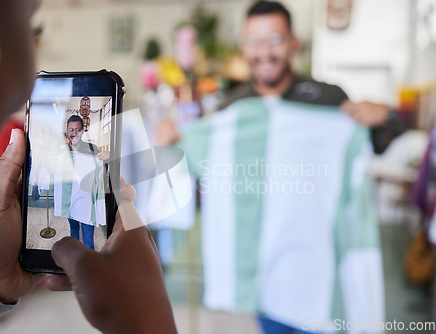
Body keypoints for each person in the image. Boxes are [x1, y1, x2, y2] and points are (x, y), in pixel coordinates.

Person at [0, 1, 177, 333]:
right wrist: (149, 323)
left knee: (81, 231)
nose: (28, 76)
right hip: (66, 203)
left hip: (81, 205)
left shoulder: (89, 148)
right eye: (28, 21)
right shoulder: (58, 148)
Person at [156, 2, 385, 334]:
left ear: (294, 42)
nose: (264, 52)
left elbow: (364, 149)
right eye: (255, 41)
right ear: (243, 47)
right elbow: (202, 174)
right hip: (266, 278)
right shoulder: (231, 109)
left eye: (275, 39)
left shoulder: (329, 99)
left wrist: (383, 118)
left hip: (318, 267)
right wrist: (178, 143)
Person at [55, 114, 106, 249]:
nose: (74, 133)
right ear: (67, 131)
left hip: (86, 202)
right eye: (71, 130)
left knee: (88, 236)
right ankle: (75, 255)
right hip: (69, 200)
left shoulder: (92, 149)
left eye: (77, 129)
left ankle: (88, 263)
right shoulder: (61, 151)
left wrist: (108, 156)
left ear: (82, 131)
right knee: (73, 229)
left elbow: (100, 172)